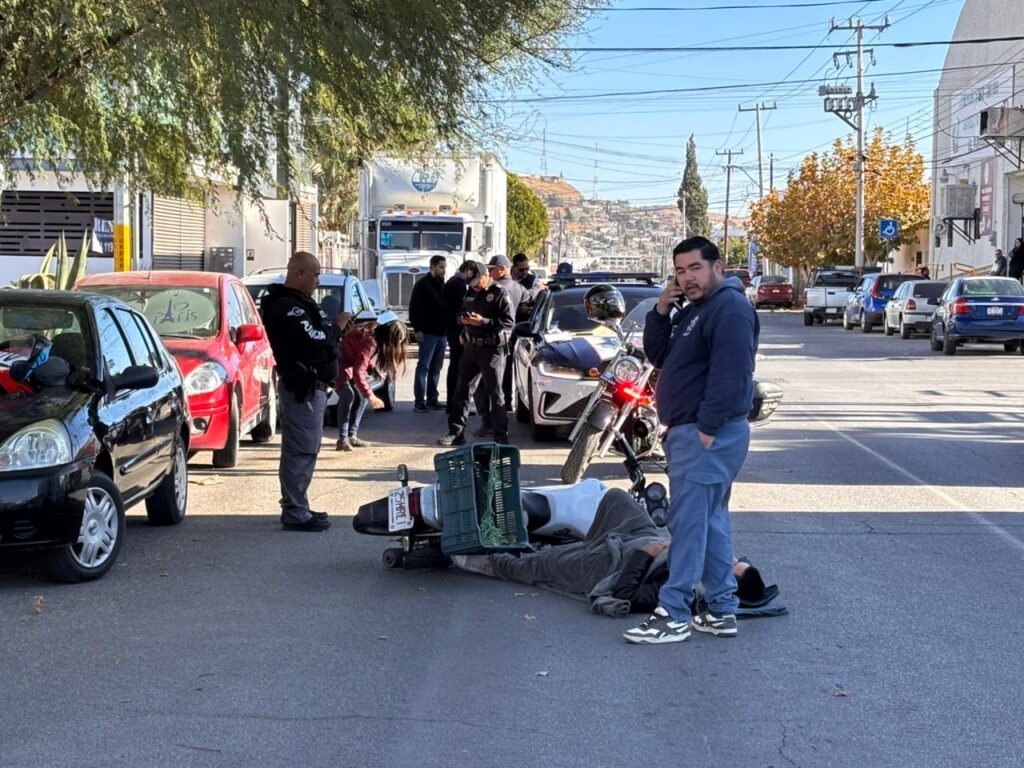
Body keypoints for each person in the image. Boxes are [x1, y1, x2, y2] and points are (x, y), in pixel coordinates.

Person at [623, 235, 760, 645]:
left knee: (686, 525)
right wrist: (662, 310)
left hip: (706, 434)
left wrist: (706, 429)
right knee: (711, 521)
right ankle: (721, 608)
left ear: (718, 266)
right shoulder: (697, 309)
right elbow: (660, 356)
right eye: (680, 271)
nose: (687, 278)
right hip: (692, 432)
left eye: (695, 268)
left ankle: (673, 613)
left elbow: (732, 374)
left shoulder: (730, 308)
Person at [452, 489, 783, 618]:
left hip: (612, 563)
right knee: (616, 498)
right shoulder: (708, 564)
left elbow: (629, 593)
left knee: (536, 565)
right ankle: (581, 545)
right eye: (735, 561)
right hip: (643, 537)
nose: (729, 560)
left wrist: (646, 554)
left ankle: (482, 561)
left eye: (731, 568)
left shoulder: (685, 591)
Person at [261, 251, 342, 532]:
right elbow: (315, 339)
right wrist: (336, 329)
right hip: (301, 388)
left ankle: (299, 505)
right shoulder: (287, 306)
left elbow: (322, 338)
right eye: (315, 274)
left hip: (313, 388)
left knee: (306, 448)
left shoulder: (301, 303)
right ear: (299, 274)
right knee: (301, 449)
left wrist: (335, 333)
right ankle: (295, 511)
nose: (318, 280)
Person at [437, 260, 515, 447]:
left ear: (486, 276)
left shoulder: (500, 294)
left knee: (495, 394)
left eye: (477, 282)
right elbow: (460, 314)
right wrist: (463, 323)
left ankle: (500, 436)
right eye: (471, 283)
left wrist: (483, 322)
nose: (474, 287)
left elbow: (508, 324)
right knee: (461, 391)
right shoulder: (470, 292)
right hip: (471, 349)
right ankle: (456, 433)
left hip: (492, 350)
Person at [335, 312, 408, 451]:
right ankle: (343, 439)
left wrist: (373, 369)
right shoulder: (371, 341)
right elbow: (358, 370)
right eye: (397, 341)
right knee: (348, 396)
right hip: (336, 363)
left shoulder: (375, 335)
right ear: (390, 337)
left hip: (345, 363)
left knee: (360, 396)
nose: (398, 345)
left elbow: (361, 359)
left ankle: (351, 436)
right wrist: (371, 396)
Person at [408, 254, 448, 413]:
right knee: (423, 367)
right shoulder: (422, 286)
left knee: (436, 368)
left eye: (444, 267)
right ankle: (419, 401)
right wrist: (417, 329)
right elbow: (414, 309)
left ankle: (433, 398)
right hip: (427, 333)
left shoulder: (442, 285)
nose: (443, 270)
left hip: (441, 333)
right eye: (440, 267)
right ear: (432, 267)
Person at [442, 261, 479, 416]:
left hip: (452, 329)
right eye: (473, 273)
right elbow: (461, 307)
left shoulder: (453, 282)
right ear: (468, 271)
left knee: (456, 367)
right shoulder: (457, 284)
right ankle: (455, 404)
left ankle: (454, 404)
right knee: (458, 367)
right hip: (456, 329)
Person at [511, 252, 547, 322]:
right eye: (521, 270)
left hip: (526, 322)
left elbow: (542, 303)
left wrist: (529, 309)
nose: (525, 271)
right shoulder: (507, 279)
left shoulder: (534, 281)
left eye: (527, 268)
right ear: (514, 268)